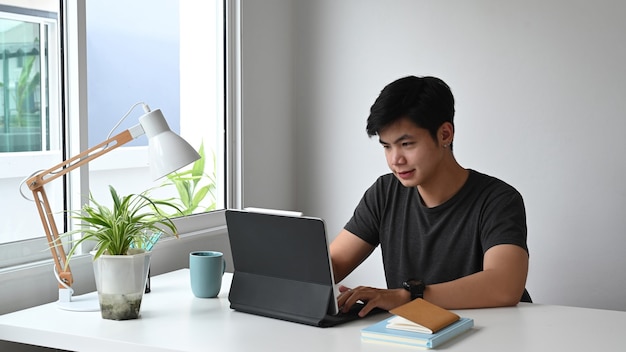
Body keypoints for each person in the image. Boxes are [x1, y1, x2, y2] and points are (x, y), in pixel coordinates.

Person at [330, 75, 530, 318]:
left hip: (494, 335)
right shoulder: (384, 193)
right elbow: (334, 264)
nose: (395, 160)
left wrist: (408, 297)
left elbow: (504, 286)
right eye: (387, 146)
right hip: (422, 336)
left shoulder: (498, 199)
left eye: (407, 144)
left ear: (445, 134)